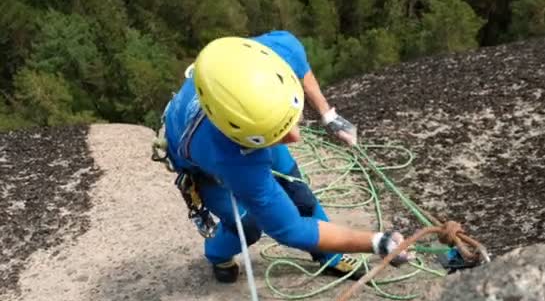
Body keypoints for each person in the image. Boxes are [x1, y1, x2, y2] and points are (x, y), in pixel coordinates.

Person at [161, 30, 410, 283]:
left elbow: (299, 64)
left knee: (300, 195)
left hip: (251, 130)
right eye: (279, 133)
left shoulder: (268, 56)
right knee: (247, 226)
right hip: (205, 166)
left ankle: (330, 255)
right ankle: (217, 254)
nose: (295, 138)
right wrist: (377, 242)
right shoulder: (232, 159)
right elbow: (289, 229)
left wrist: (328, 115)